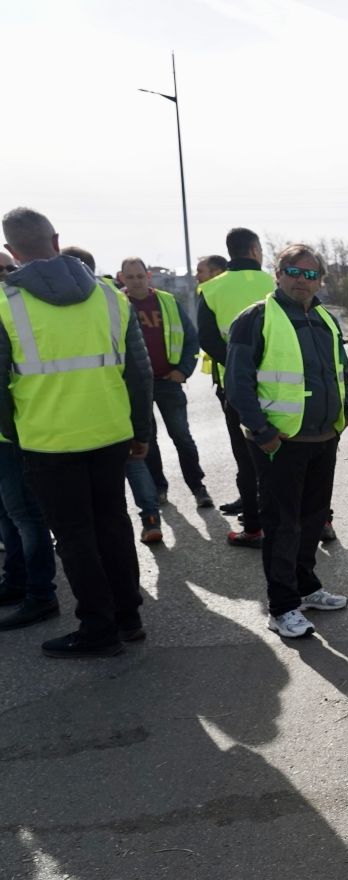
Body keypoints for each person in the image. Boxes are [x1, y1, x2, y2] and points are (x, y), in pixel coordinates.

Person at [0, 207, 152, 657]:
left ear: (12, 251)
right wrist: (139, 429)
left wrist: (15, 433)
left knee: (74, 537)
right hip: (110, 433)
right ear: (55, 239)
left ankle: (98, 629)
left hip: (47, 441)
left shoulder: (6, 304)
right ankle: (129, 618)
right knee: (113, 525)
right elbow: (139, 373)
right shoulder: (110, 296)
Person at [225, 244, 348, 639]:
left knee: (312, 519)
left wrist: (344, 412)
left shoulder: (325, 319)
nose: (303, 280)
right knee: (282, 526)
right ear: (277, 273)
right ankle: (281, 607)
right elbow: (237, 383)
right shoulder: (256, 318)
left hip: (322, 437)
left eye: (311, 274)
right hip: (281, 443)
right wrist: (262, 433)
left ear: (321, 280)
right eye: (294, 272)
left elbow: (339, 368)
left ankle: (307, 586)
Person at [59, 248, 163, 544]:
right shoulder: (114, 301)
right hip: (119, 412)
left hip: (72, 423)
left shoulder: (47, 308)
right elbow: (139, 372)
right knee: (134, 464)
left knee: (99, 493)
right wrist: (141, 429)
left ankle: (99, 535)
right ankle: (150, 518)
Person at [199, 227, 275, 546]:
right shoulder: (276, 282)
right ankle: (318, 519)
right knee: (293, 451)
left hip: (233, 385)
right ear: (256, 250)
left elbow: (207, 338)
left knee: (245, 455)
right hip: (280, 382)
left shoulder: (211, 289)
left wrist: (237, 367)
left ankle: (254, 527)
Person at [0, 248, 61, 631]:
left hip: (14, 433)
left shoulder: (17, 310)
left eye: (7, 268)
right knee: (7, 515)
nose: (3, 275)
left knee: (25, 514)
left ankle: (41, 594)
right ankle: (17, 580)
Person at [118, 257, 211, 509]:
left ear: (148, 276)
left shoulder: (167, 301)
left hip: (168, 381)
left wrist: (183, 370)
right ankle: (159, 487)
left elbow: (192, 339)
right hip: (135, 386)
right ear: (121, 277)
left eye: (140, 276)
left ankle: (198, 487)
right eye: (130, 276)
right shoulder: (115, 304)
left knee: (182, 436)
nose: (136, 281)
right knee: (148, 440)